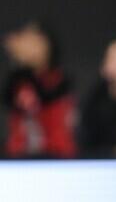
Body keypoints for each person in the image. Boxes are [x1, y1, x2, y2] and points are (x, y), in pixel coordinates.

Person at [2, 20, 77, 158]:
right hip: (20, 156)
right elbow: (10, 101)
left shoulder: (59, 80)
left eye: (33, 41)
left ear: (47, 45)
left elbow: (45, 98)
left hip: (56, 155)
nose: (28, 47)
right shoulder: (19, 80)